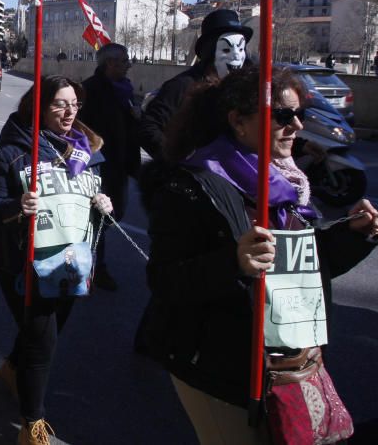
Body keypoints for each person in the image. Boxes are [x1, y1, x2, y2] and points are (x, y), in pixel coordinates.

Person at [140, 67, 377, 444]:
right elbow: (164, 280)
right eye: (284, 115)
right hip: (217, 368)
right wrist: (233, 262)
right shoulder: (190, 185)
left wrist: (355, 236)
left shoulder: (284, 182)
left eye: (300, 114)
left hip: (282, 360)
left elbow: (305, 266)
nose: (297, 125)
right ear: (237, 120)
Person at [0, 75, 112, 445]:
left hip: (73, 262)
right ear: (38, 107)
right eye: (60, 104)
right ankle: (32, 424)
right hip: (22, 263)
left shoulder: (87, 151)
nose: (70, 111)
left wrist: (102, 206)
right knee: (43, 341)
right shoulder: (12, 153)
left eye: (74, 104)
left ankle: (11, 369)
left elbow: (90, 204)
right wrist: (17, 207)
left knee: (45, 333)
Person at [140, 8, 252, 161]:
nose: (237, 56)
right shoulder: (182, 86)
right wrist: (177, 163)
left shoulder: (245, 89)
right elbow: (149, 127)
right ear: (210, 51)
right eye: (226, 49)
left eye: (241, 48)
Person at [77, 43, 140, 291]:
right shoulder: (90, 90)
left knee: (116, 214)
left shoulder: (124, 90)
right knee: (99, 217)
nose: (129, 65)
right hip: (99, 166)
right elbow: (80, 129)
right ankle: (93, 268)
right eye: (124, 61)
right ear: (110, 63)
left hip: (121, 164)